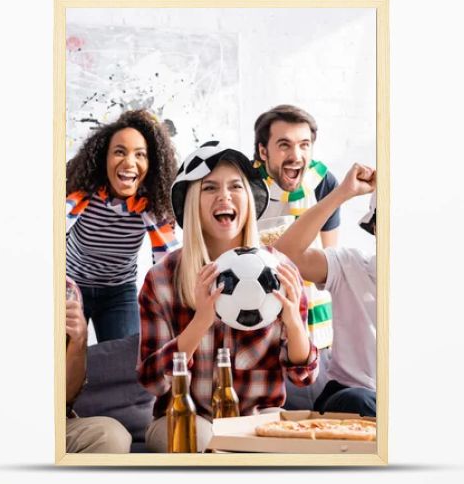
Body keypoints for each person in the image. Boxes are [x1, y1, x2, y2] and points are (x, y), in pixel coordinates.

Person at [137, 141, 319, 452]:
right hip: (184, 419)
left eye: (236, 186)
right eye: (210, 188)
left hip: (258, 423)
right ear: (193, 203)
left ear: (248, 199)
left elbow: (303, 376)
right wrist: (200, 322)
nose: (224, 195)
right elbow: (154, 382)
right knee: (205, 438)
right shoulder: (162, 279)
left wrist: (292, 321)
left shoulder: (280, 270)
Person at [66, 109, 179, 342]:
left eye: (140, 155)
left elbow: (171, 262)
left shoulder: (153, 204)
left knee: (125, 364)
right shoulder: (81, 192)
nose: (129, 162)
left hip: (119, 292)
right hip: (71, 285)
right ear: (104, 158)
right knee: (61, 361)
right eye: (119, 152)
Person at [274, 163, 377, 416]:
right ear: (375, 228)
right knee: (359, 400)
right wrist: (342, 193)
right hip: (348, 399)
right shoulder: (350, 266)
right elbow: (282, 255)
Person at [253, 104, 340, 351]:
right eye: (284, 145)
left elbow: (329, 257)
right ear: (263, 151)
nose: (296, 155)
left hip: (313, 316)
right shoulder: (244, 185)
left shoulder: (323, 182)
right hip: (260, 313)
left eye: (304, 145)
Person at [65, 276, 132, 453]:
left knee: (113, 436)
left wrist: (79, 341)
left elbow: (67, 397)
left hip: (120, 284)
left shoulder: (66, 291)